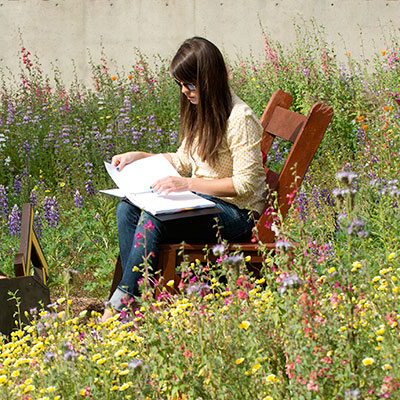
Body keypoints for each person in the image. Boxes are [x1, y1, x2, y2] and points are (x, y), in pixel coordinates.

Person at [101, 36, 266, 321]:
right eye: (180, 85)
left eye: (190, 84)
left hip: (236, 214)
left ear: (210, 79)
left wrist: (187, 184)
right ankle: (142, 296)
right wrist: (139, 156)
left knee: (153, 217)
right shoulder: (205, 112)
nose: (185, 92)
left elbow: (244, 185)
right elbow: (183, 160)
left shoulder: (241, 118)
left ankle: (125, 303)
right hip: (206, 204)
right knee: (127, 209)